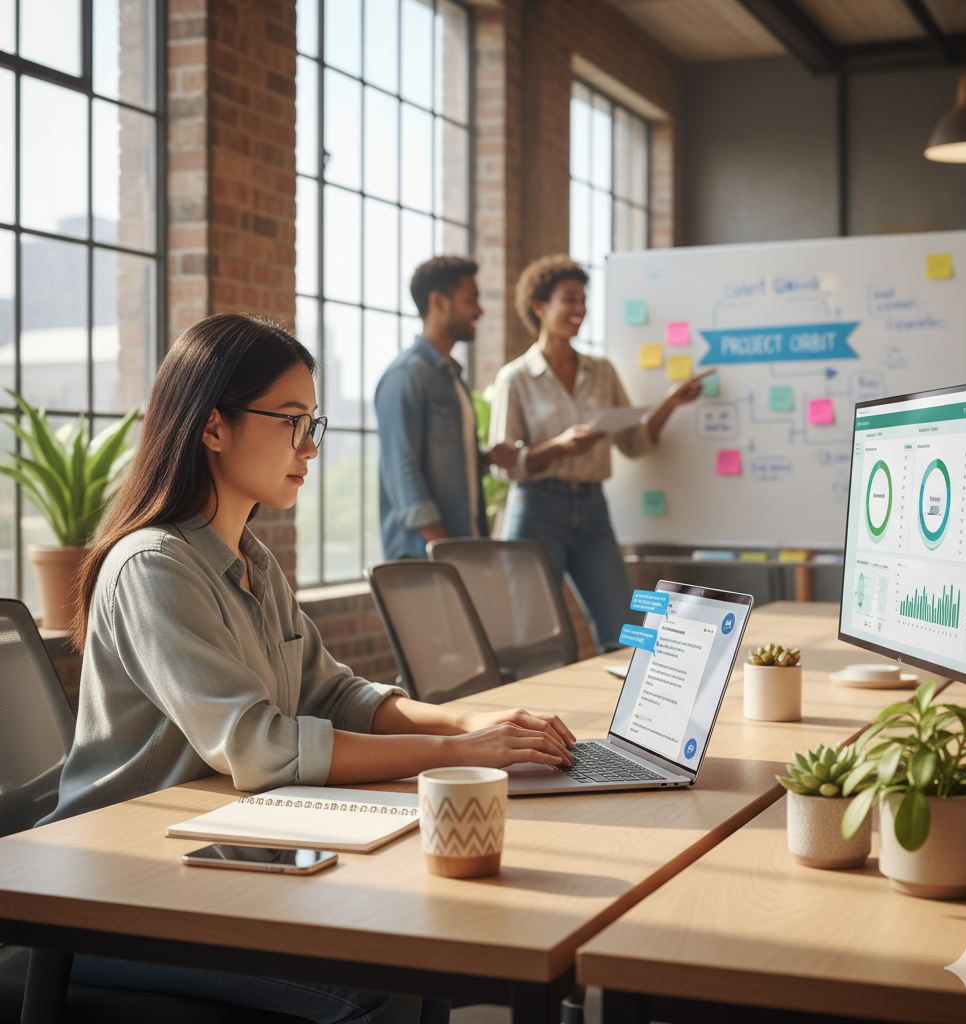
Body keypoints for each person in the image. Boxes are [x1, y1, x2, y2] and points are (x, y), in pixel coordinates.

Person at [41, 312, 576, 1024]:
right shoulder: (152, 566)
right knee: (383, 982)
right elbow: (260, 746)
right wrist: (460, 754)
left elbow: (334, 693)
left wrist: (471, 722)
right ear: (213, 427)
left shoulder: (251, 560)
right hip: (112, 894)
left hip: (216, 858)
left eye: (313, 424)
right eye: (292, 421)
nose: (310, 447)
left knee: (417, 946)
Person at [489, 255, 705, 651]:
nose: (580, 309)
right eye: (569, 299)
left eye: (583, 300)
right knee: (535, 639)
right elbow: (506, 468)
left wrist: (670, 404)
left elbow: (635, 443)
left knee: (625, 631)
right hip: (536, 511)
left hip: (592, 510)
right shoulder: (515, 378)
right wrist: (560, 446)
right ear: (540, 306)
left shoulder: (602, 371)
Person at [375, 256, 519, 559]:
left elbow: (444, 463)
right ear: (438, 302)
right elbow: (402, 473)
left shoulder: (452, 377)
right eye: (471, 300)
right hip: (425, 560)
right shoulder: (406, 376)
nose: (479, 311)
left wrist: (486, 458)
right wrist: (446, 551)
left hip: (462, 548)